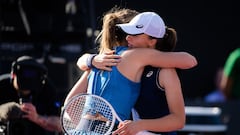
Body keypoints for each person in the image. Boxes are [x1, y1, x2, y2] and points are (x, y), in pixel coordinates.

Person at [64, 9, 197, 134]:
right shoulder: (114, 59)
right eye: (128, 32)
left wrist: (89, 59)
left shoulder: (100, 60)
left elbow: (69, 105)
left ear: (152, 41)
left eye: (135, 33)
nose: (129, 37)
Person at [0, 56, 62, 135]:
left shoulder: (46, 88)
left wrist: (37, 118)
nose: (28, 81)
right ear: (13, 75)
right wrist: (4, 112)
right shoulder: (2, 85)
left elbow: (60, 124)